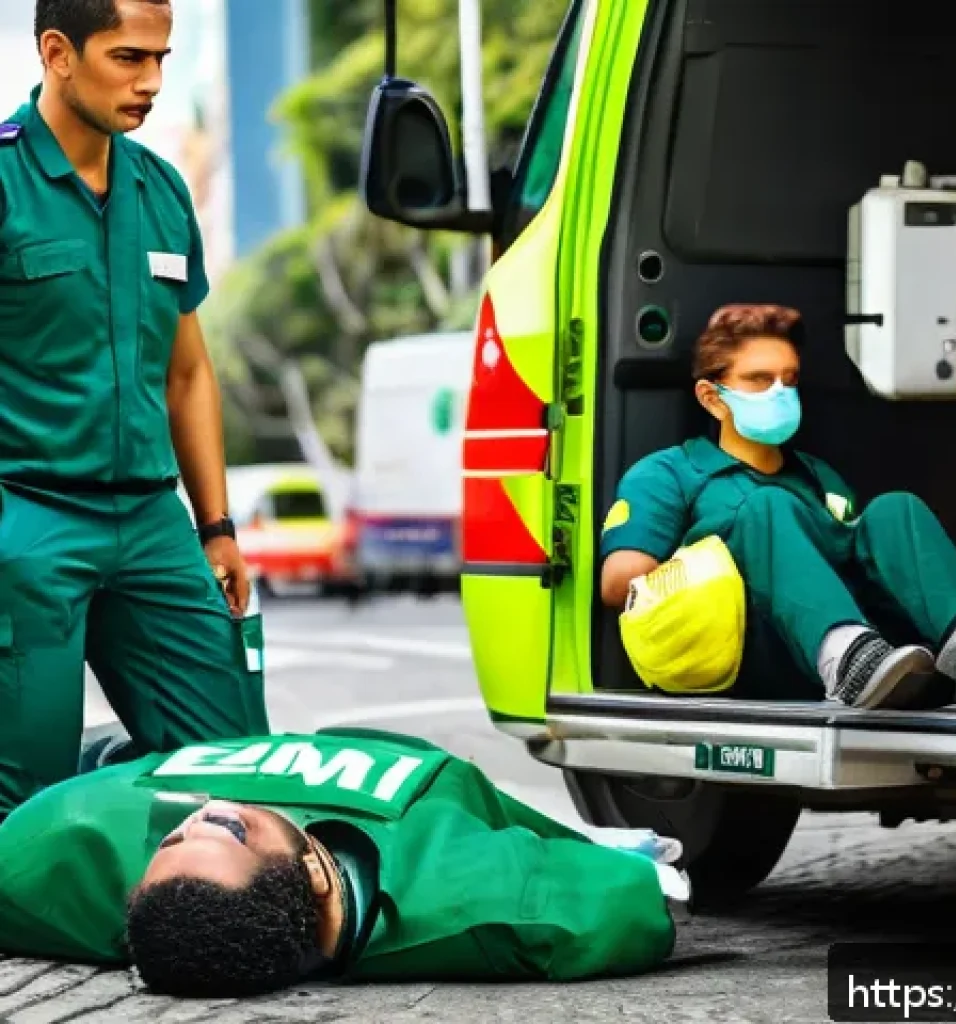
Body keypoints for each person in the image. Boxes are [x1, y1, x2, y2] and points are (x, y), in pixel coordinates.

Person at [0, 0, 269, 820]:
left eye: (162, 58)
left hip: (152, 522)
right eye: (129, 58)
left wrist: (216, 526)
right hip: (28, 519)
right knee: (24, 806)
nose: (152, 81)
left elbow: (186, 374)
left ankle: (115, 773)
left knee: (241, 779)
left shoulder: (160, 189)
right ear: (58, 52)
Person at [0, 728, 691, 997]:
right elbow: (642, 902)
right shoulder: (476, 898)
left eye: (168, 842)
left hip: (114, 762)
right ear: (316, 871)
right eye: (229, 826)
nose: (197, 814)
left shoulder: (53, 849)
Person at [600, 304, 956, 710]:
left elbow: (858, 559)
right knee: (767, 507)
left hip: (871, 644)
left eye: (789, 380)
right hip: (753, 643)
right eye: (759, 380)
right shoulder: (669, 473)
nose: (779, 393)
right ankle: (845, 656)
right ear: (712, 398)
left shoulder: (817, 476)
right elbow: (617, 583)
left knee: (897, 509)